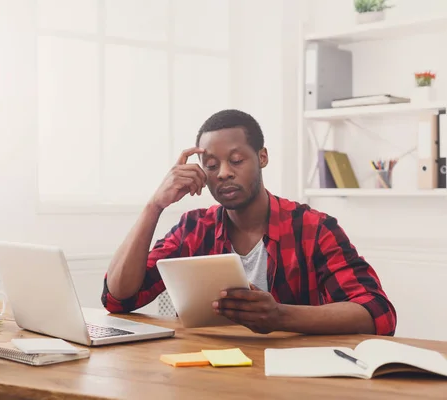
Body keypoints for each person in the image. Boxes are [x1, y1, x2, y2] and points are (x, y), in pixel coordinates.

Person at [101, 109, 397, 336]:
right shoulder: (194, 228)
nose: (224, 173)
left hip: (293, 377)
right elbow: (119, 298)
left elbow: (377, 312)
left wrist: (280, 316)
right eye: (212, 165)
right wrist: (155, 205)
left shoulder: (313, 228)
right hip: (208, 374)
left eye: (237, 160)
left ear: (262, 157)